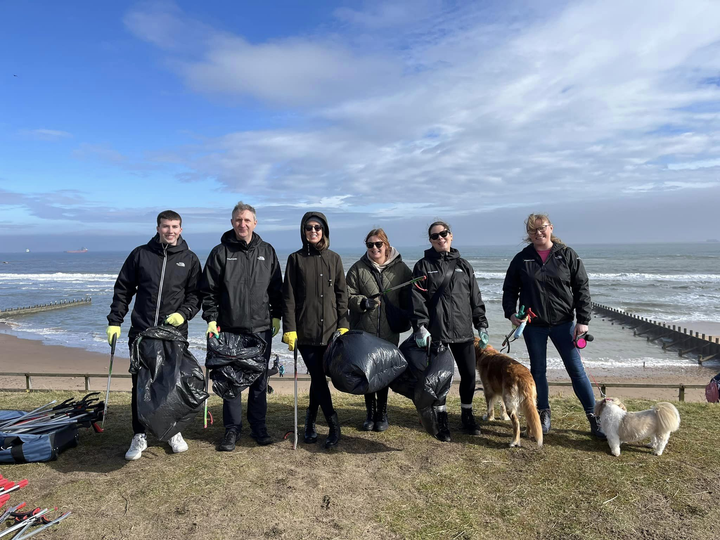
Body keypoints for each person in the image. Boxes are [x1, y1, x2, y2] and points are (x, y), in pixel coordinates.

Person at [107, 210, 202, 460]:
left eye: (175, 226)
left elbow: (196, 295)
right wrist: (115, 321)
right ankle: (140, 435)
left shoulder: (190, 259)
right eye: (165, 226)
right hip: (142, 333)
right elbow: (123, 288)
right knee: (141, 385)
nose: (170, 231)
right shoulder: (141, 254)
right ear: (158, 228)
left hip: (173, 334)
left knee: (171, 384)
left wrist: (184, 313)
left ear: (181, 229)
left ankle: (172, 431)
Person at [502, 213, 605, 438]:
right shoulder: (522, 259)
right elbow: (509, 289)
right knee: (538, 371)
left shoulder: (567, 255)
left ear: (551, 228)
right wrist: (511, 313)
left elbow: (582, 289)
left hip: (564, 324)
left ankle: (593, 417)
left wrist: (583, 321)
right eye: (533, 230)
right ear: (528, 234)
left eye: (542, 228)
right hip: (534, 325)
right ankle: (543, 413)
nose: (538, 233)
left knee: (576, 370)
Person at [199, 201, 283, 451]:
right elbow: (209, 290)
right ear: (232, 222)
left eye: (247, 220)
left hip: (260, 329)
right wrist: (211, 319)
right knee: (231, 382)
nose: (242, 224)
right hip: (229, 329)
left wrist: (276, 316)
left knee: (259, 380)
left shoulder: (267, 251)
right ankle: (232, 430)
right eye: (238, 220)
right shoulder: (220, 252)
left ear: (255, 223)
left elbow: (277, 289)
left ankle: (259, 427)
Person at [411, 221, 489, 442]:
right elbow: (418, 300)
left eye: (443, 234)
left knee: (469, 377)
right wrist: (421, 328)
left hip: (464, 331)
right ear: (430, 241)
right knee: (442, 380)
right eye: (435, 236)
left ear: (451, 235)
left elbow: (475, 297)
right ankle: (441, 418)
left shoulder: (464, 265)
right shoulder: (423, 266)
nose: (440, 238)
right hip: (438, 334)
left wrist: (481, 323)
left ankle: (467, 414)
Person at [282, 212, 349, 449]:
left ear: (324, 231)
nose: (313, 231)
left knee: (319, 379)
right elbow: (288, 297)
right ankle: (333, 425)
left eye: (318, 227)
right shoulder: (295, 259)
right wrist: (289, 328)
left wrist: (344, 323)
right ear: (303, 230)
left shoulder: (334, 259)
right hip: (306, 332)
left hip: (331, 331)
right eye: (309, 227)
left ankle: (310, 420)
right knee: (319, 378)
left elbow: (342, 295)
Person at [346, 228, 413, 432]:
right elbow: (347, 295)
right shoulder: (358, 269)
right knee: (367, 373)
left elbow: (411, 297)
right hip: (364, 331)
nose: (374, 248)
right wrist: (363, 302)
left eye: (378, 244)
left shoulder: (401, 269)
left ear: (386, 244)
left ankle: (382, 413)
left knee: (383, 374)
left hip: (388, 331)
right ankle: (369, 413)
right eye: (370, 245)